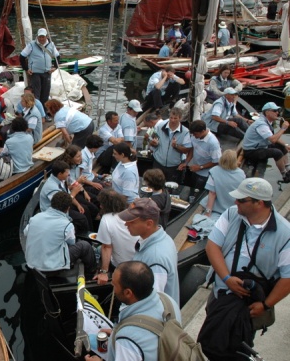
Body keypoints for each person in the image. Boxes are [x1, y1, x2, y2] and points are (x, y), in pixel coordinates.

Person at [198, 177, 290, 359]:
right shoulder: (232, 214)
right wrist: (226, 279)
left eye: (241, 200)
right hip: (220, 294)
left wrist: (265, 305)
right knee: (209, 341)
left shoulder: (285, 234)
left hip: (247, 307)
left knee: (235, 348)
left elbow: (288, 278)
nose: (235, 202)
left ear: (259, 203)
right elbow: (212, 246)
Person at [85, 261, 182, 361]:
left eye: (114, 285)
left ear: (128, 292)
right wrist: (116, 333)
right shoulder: (168, 301)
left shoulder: (127, 341)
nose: (113, 288)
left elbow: (135, 341)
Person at [119, 198, 180, 304]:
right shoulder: (164, 238)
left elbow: (153, 303)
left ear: (149, 224)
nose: (126, 224)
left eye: (132, 222)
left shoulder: (156, 257)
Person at [24, 191, 97, 273]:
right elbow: (72, 242)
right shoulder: (67, 225)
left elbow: (26, 232)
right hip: (53, 268)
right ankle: (92, 272)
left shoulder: (35, 218)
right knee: (84, 245)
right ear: (68, 208)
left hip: (32, 265)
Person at [94, 190, 136, 285]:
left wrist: (104, 272)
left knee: (97, 249)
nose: (100, 206)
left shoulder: (106, 220)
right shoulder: (134, 216)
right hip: (138, 264)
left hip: (119, 265)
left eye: (102, 204)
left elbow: (106, 247)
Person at [242, 102, 290, 183]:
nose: (277, 113)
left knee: (281, 146)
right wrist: (283, 129)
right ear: (267, 112)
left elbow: (273, 137)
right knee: (276, 153)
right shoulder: (261, 124)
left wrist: (285, 145)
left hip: (260, 146)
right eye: (274, 111)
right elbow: (273, 139)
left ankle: (288, 169)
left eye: (277, 110)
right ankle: (284, 175)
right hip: (251, 151)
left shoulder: (267, 122)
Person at [40, 160, 91, 234]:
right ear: (60, 174)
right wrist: (74, 192)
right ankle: (85, 238)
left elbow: (67, 193)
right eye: (67, 172)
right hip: (56, 212)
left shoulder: (61, 180)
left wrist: (78, 205)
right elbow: (61, 204)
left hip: (64, 205)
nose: (68, 174)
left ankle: (90, 233)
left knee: (85, 209)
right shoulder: (52, 188)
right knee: (82, 219)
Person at [149, 108, 192, 183]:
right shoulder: (159, 126)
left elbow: (187, 150)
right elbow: (150, 138)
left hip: (174, 167)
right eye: (171, 118)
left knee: (171, 189)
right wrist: (153, 142)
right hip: (158, 163)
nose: (172, 120)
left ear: (180, 118)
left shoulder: (185, 132)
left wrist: (176, 146)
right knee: (154, 183)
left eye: (175, 118)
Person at [20, 28, 61, 105]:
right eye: (40, 37)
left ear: (46, 37)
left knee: (45, 94)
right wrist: (26, 69)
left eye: (43, 37)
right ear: (37, 37)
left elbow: (57, 57)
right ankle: (37, 111)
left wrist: (55, 67)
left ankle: (44, 112)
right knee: (36, 94)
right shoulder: (31, 45)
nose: (41, 39)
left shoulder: (51, 45)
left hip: (47, 72)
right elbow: (22, 56)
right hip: (35, 73)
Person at [201, 149, 246, 219]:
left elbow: (212, 193)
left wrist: (208, 212)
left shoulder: (214, 171)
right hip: (233, 207)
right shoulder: (241, 173)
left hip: (218, 206)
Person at [62, 145, 100, 222]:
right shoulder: (66, 170)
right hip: (71, 193)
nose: (81, 158)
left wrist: (85, 192)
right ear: (70, 158)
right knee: (89, 209)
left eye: (81, 155)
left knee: (96, 199)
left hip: (79, 189)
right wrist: (78, 182)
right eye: (78, 156)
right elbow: (67, 187)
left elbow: (77, 183)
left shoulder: (76, 166)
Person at [181, 120, 222, 190]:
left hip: (205, 175)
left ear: (203, 131)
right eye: (192, 134)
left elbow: (216, 161)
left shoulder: (213, 143)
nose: (193, 136)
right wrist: (186, 162)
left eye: (195, 134)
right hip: (194, 170)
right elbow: (192, 149)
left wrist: (200, 167)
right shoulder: (194, 136)